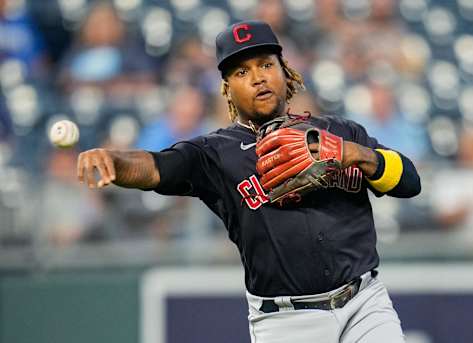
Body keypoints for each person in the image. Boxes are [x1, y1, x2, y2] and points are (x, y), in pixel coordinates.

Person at [77, 20, 421, 343]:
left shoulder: (340, 132)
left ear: (286, 73)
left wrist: (353, 154)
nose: (258, 78)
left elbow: (409, 181)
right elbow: (155, 167)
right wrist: (114, 160)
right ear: (227, 89)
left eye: (266, 65)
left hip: (364, 304)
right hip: (287, 322)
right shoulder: (214, 154)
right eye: (242, 71)